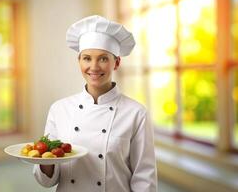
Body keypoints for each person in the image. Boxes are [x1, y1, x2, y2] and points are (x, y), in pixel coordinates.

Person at [33, 15, 157, 192]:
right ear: (79, 61)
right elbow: (47, 181)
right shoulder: (59, 109)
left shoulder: (136, 113)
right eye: (87, 58)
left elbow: (144, 177)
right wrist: (45, 162)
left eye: (103, 58)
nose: (94, 66)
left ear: (117, 63)